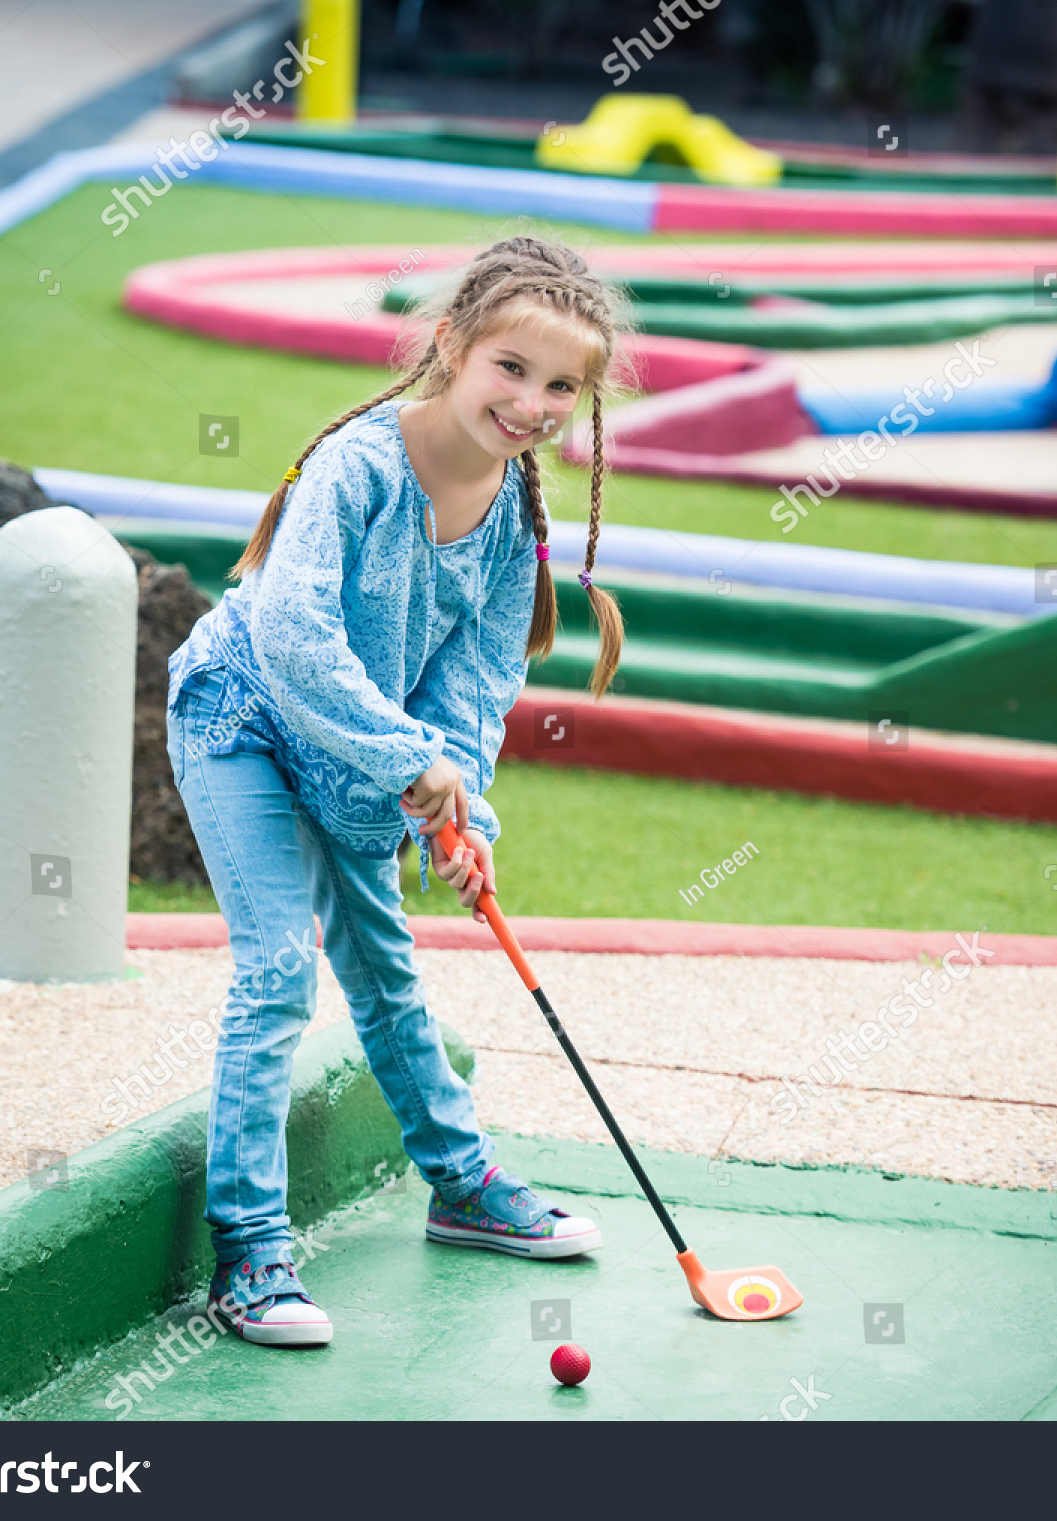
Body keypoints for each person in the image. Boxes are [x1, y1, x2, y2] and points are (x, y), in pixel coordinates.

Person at [165, 235, 626, 1346]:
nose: (531, 404)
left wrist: (461, 810)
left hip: (360, 764)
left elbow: (477, 687)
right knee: (278, 971)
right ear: (452, 346)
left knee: (385, 972)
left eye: (561, 386)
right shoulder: (359, 468)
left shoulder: (512, 519)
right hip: (242, 717)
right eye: (510, 368)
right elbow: (293, 634)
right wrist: (410, 761)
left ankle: (462, 1187)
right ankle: (249, 1252)